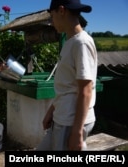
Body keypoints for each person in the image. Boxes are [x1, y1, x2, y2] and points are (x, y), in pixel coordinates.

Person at [36, 0, 98, 151]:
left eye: (52, 16)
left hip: (71, 121)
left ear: (61, 10)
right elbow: (67, 86)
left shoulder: (81, 43)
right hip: (62, 116)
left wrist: (77, 133)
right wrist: (51, 111)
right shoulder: (70, 42)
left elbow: (86, 90)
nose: (51, 22)